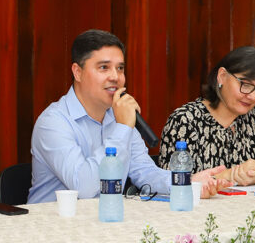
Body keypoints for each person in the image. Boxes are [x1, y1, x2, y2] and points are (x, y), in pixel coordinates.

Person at [28, 29, 225, 203]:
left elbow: (145, 173)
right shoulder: (53, 122)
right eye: (104, 67)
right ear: (77, 72)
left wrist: (187, 182)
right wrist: (122, 128)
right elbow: (85, 187)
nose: (115, 76)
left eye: (120, 68)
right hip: (53, 229)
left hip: (105, 221)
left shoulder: (119, 116)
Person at [158, 46, 255, 185]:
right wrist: (229, 176)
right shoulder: (185, 120)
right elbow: (171, 183)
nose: (252, 96)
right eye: (246, 85)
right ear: (222, 76)